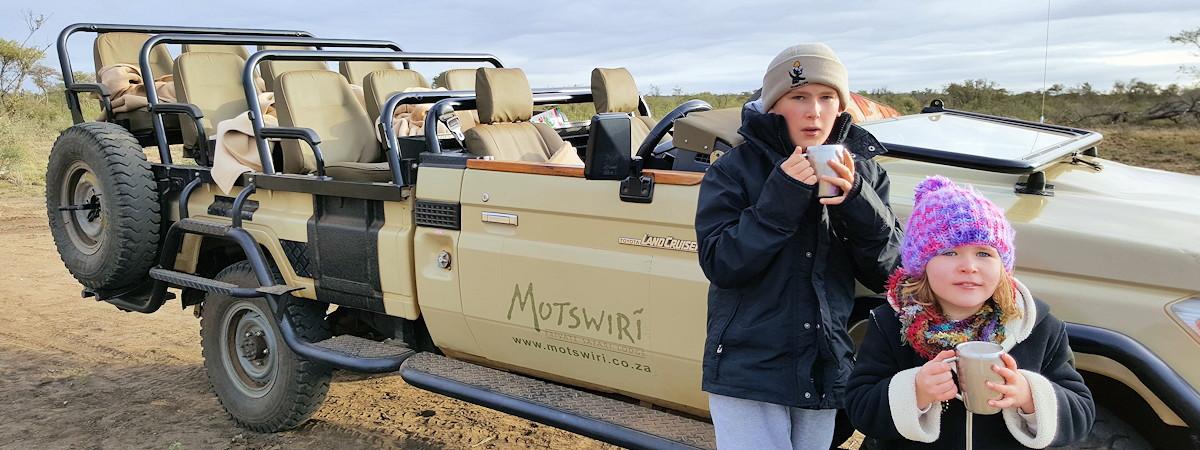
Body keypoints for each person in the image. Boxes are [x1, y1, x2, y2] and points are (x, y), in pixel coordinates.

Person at [695, 43, 903, 449]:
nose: (815, 111)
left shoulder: (866, 174)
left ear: (841, 106)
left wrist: (857, 200)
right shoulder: (732, 170)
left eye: (827, 98)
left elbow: (890, 272)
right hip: (749, 368)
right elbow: (721, 263)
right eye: (799, 97)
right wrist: (782, 197)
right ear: (774, 105)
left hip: (823, 364)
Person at [845, 176, 1095, 449]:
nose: (969, 266)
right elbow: (860, 408)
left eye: (984, 254)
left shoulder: (1037, 328)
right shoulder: (891, 323)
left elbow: (1081, 413)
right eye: (949, 252)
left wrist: (1029, 395)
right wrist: (915, 391)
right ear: (921, 265)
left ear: (1003, 265)